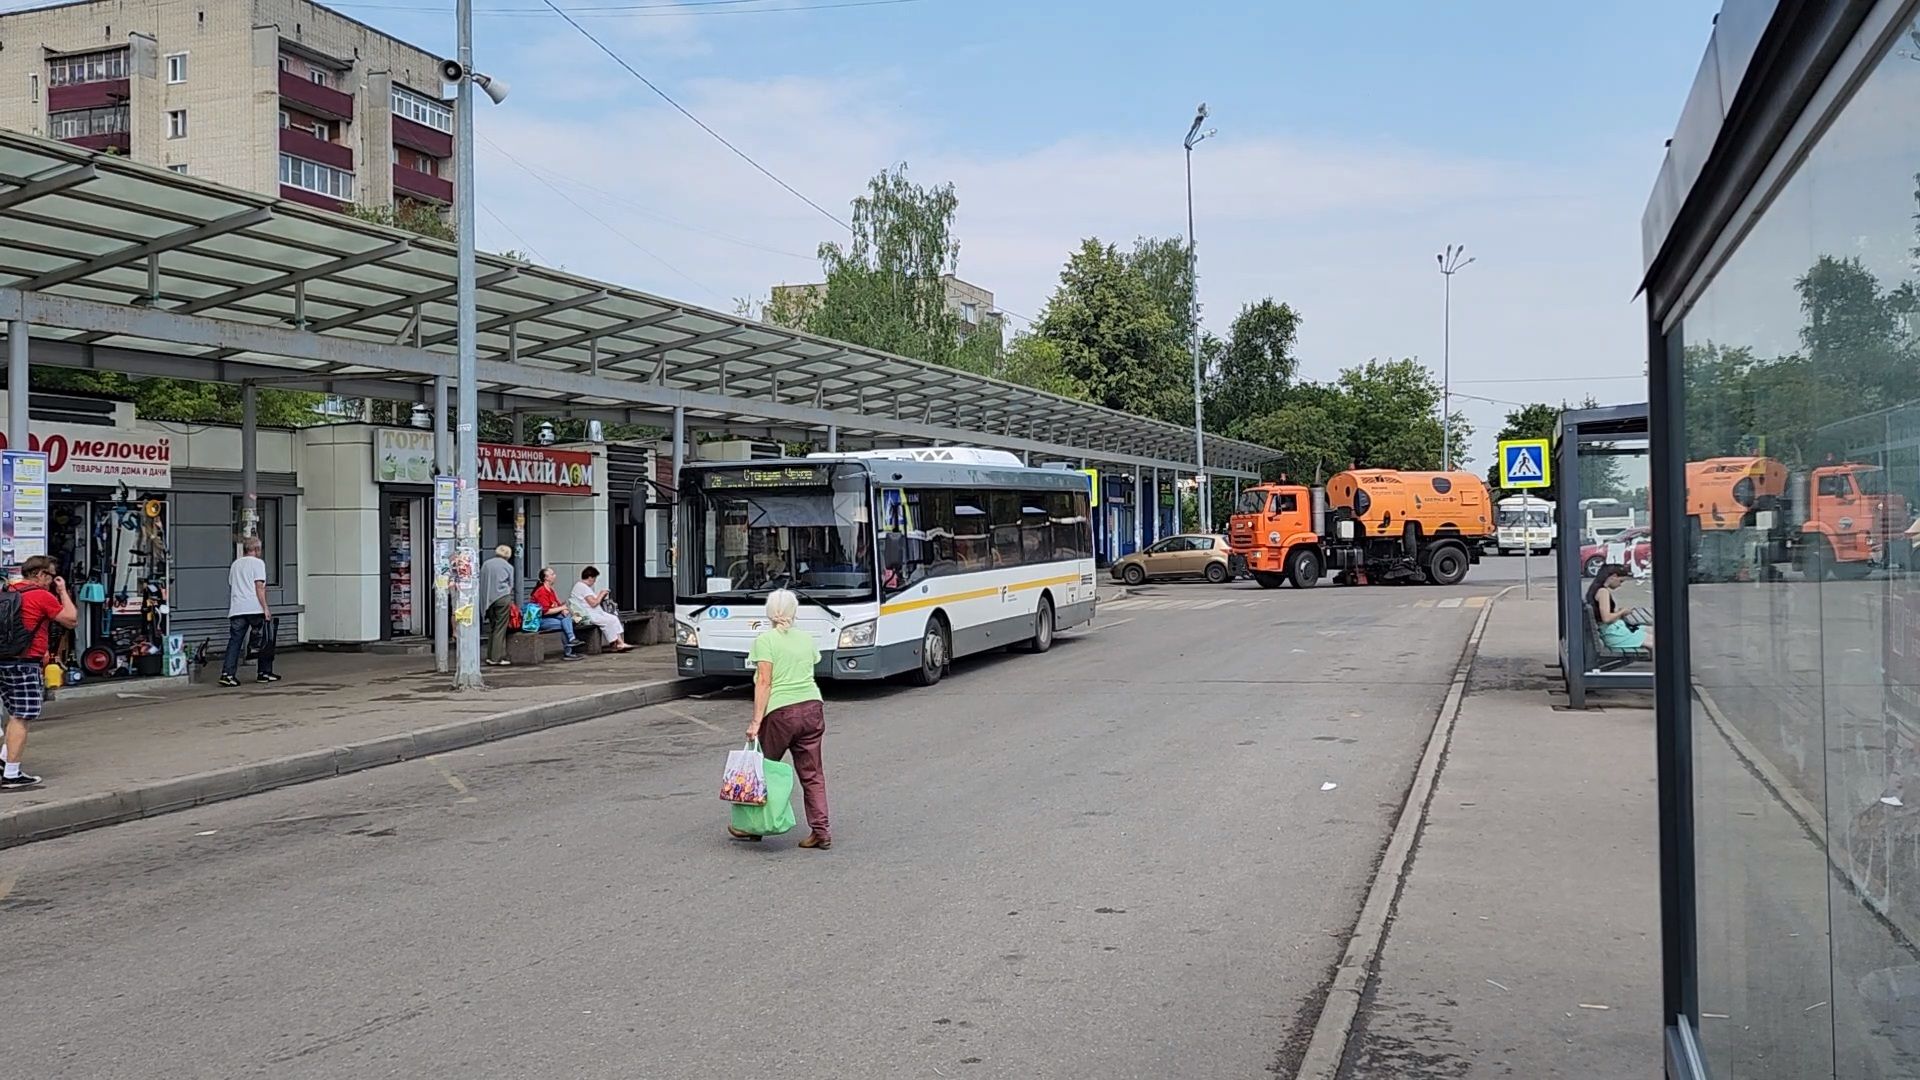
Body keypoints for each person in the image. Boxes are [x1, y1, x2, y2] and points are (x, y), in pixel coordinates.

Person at [728, 588, 830, 849]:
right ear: (794, 612)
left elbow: (764, 682)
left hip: (781, 713)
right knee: (812, 773)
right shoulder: (806, 639)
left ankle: (752, 825)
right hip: (812, 707)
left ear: (769, 612)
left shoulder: (766, 641)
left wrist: (756, 722)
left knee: (760, 769)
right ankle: (821, 831)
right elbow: (810, 666)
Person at [0, 556, 79, 790]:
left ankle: (4, 761)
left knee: (13, 713)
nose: (52, 581)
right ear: (40, 574)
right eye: (51, 576)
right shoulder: (41, 595)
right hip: (24, 663)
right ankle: (11, 774)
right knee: (21, 716)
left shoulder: (6, 591)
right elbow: (71, 620)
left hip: (2, 660)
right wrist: (63, 591)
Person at [220, 537, 279, 687]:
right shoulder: (258, 563)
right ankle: (264, 672)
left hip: (237, 608)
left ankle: (227, 674)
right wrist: (265, 607)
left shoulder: (235, 564)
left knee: (235, 641)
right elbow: (259, 587)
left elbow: (232, 584)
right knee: (264, 638)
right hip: (254, 607)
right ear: (257, 549)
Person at [1588, 562, 1654, 652]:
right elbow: (1606, 618)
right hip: (1614, 634)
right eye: (1620, 581)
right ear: (1613, 576)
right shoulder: (1603, 592)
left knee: (1651, 630)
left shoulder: (1595, 589)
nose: (1620, 585)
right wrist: (1622, 612)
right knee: (1656, 641)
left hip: (1613, 630)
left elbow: (1602, 615)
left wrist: (1618, 613)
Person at [569, 567, 633, 652]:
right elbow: (593, 603)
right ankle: (617, 644)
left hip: (591, 613)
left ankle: (619, 642)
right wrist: (601, 594)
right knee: (608, 621)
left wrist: (601, 597)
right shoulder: (582, 587)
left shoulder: (580, 586)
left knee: (613, 618)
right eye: (594, 578)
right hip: (588, 615)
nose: (594, 581)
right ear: (590, 577)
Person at [530, 567, 584, 661]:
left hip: (553, 618)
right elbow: (546, 611)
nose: (555, 576)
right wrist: (562, 608)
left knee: (566, 618)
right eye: (552, 574)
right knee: (565, 625)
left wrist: (563, 610)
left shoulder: (551, 590)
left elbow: (557, 605)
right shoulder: (541, 591)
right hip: (540, 620)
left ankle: (571, 644)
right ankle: (569, 649)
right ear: (546, 578)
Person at [481, 544, 517, 667]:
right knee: (500, 628)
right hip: (502, 597)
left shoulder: (486, 564)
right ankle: (496, 657)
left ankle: (490, 655)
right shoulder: (508, 566)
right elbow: (511, 585)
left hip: (488, 599)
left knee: (492, 627)